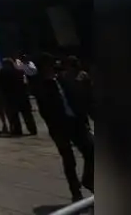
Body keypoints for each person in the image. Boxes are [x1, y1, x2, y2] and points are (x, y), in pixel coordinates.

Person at [34, 53, 94, 201]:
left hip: (76, 123)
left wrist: (84, 117)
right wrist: (55, 130)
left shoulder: (64, 79)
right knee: (69, 160)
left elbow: (77, 98)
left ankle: (88, 179)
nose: (52, 67)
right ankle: (75, 192)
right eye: (48, 65)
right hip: (60, 128)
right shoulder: (41, 87)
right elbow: (46, 112)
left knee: (92, 151)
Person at [0, 57, 37, 136]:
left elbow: (1, 85)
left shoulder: (3, 72)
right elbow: (25, 83)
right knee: (27, 114)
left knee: (14, 115)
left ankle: (17, 130)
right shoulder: (20, 71)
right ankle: (32, 129)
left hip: (11, 97)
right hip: (22, 95)